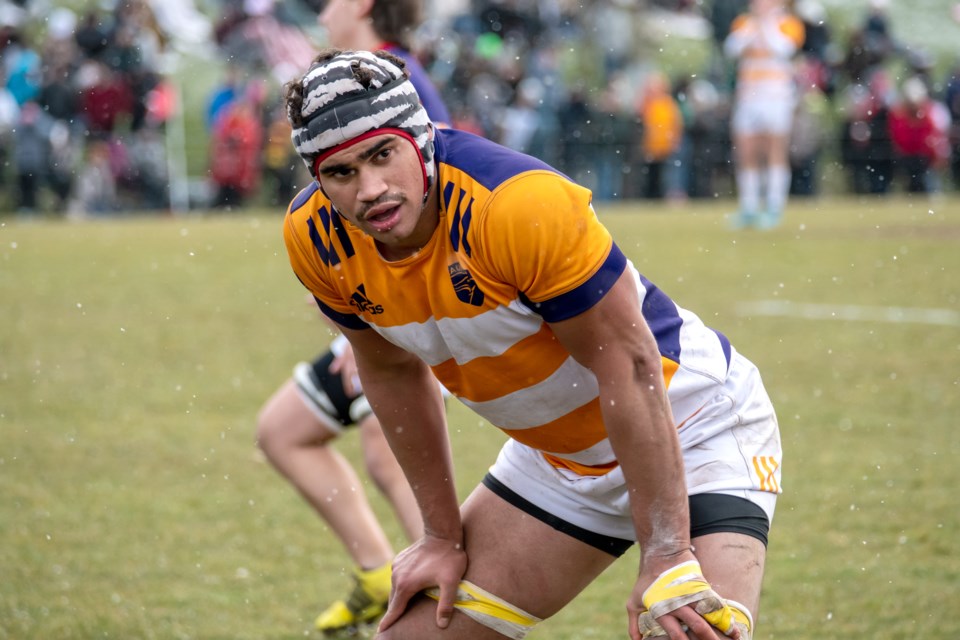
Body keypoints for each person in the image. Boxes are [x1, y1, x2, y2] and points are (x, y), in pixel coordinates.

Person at [280, 48, 783, 640]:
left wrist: (667, 551)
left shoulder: (519, 204)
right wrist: (440, 535)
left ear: (420, 139)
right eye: (341, 173)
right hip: (560, 463)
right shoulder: (314, 237)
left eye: (383, 155)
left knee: (701, 635)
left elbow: (630, 365)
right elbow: (390, 373)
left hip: (691, 422)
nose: (370, 190)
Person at [255, 0, 452, 635]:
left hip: (406, 321)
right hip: (374, 321)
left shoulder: (389, 85)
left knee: (389, 455)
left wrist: (383, 329)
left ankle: (446, 589)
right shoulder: (362, 80)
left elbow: (435, 209)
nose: (324, 9)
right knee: (283, 432)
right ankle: (378, 570)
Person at [724, 0, 805, 229]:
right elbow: (733, 48)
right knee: (746, 151)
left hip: (776, 98)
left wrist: (766, 25)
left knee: (775, 150)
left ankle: (773, 207)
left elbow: (783, 49)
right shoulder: (743, 23)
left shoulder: (788, 23)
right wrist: (754, 27)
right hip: (748, 96)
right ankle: (748, 207)